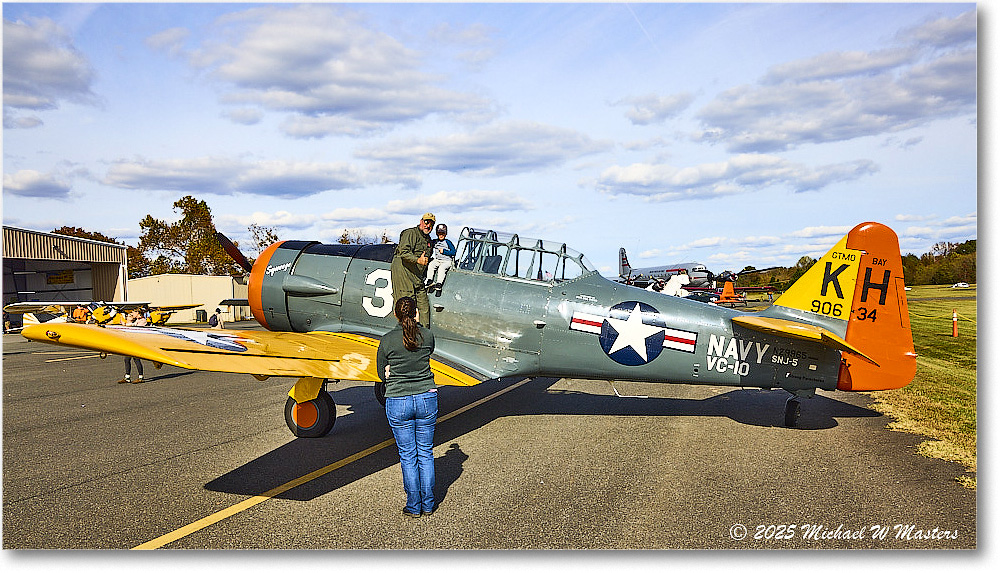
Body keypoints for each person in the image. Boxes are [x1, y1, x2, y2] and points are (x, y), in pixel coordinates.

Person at [376, 296, 438, 518]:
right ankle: (428, 504)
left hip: (398, 400)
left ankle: (414, 506)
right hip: (426, 398)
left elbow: (380, 373)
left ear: (395, 315)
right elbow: (426, 352)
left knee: (408, 455)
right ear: (416, 313)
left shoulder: (386, 340)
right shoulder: (428, 336)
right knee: (425, 453)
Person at [390, 213, 434, 326]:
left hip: (417, 276)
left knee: (424, 308)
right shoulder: (410, 233)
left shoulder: (428, 240)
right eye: (426, 222)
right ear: (421, 221)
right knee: (406, 310)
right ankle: (406, 338)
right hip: (404, 274)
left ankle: (423, 336)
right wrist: (417, 260)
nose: (428, 225)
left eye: (431, 223)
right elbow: (403, 253)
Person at [117, 309, 148, 384]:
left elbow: (136, 328)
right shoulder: (137, 320)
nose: (132, 314)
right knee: (127, 359)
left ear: (137, 313)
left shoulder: (142, 321)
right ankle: (127, 377)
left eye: (133, 313)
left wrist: (127, 324)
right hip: (132, 343)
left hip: (137, 343)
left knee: (136, 359)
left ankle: (141, 377)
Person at [425, 223, 456, 293]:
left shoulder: (448, 242)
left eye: (443, 233)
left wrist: (444, 251)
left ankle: (439, 284)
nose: (441, 235)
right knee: (431, 265)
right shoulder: (435, 241)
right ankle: (429, 280)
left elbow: (453, 252)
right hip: (438, 260)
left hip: (446, 261)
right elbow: (428, 243)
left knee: (442, 268)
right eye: (439, 233)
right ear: (437, 233)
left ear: (445, 234)